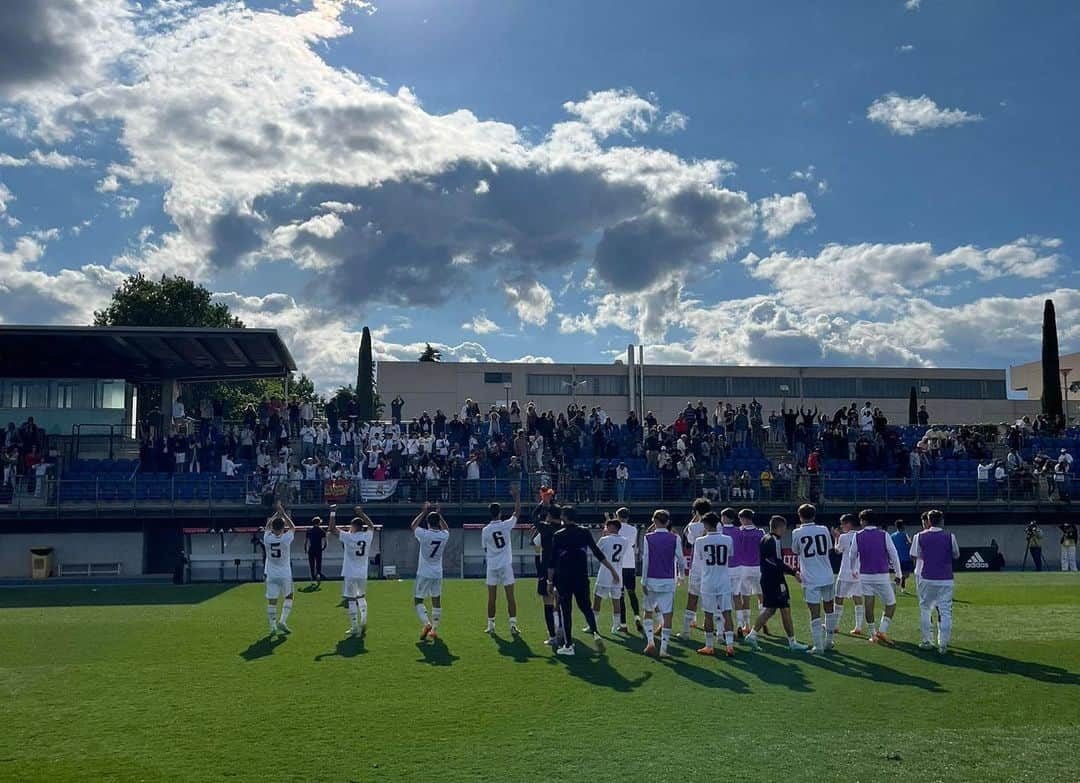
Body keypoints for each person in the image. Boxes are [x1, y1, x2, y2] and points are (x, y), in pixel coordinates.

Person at [547, 505, 619, 656]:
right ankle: (595, 633)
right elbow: (597, 553)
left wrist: (549, 581)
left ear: (564, 517)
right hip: (581, 576)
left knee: (565, 611)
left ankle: (568, 645)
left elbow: (552, 561)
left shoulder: (558, 534)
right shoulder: (584, 532)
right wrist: (612, 570)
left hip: (564, 578)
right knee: (586, 607)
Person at [744, 515, 808, 652]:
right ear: (780, 527)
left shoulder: (765, 538)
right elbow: (776, 562)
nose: (785, 530)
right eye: (784, 527)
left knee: (770, 609)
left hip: (768, 579)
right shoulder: (774, 540)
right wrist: (793, 572)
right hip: (775, 580)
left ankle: (752, 635)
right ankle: (792, 642)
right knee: (784, 609)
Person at [790, 504, 838, 654]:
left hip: (810, 578)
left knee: (814, 612)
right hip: (827, 574)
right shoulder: (824, 529)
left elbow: (795, 550)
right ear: (814, 515)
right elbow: (829, 548)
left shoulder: (797, 532)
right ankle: (829, 641)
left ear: (800, 516)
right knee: (829, 609)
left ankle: (818, 646)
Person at [909, 509, 959, 653]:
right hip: (946, 579)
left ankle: (926, 641)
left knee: (925, 609)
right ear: (942, 521)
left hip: (927, 578)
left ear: (929, 521)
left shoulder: (919, 536)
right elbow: (956, 554)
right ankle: (943, 644)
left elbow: (915, 555)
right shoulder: (950, 537)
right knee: (945, 611)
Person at [851, 509, 903, 645]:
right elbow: (894, 554)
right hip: (882, 575)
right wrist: (898, 574)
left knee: (868, 604)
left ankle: (873, 634)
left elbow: (852, 555)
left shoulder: (857, 535)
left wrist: (853, 569)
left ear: (864, 521)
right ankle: (882, 630)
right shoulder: (884, 535)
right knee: (891, 604)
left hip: (865, 575)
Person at [641, 509, 685, 658]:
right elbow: (681, 559)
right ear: (667, 522)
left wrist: (643, 580)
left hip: (652, 579)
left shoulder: (648, 537)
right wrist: (681, 575)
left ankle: (650, 640)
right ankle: (664, 648)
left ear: (654, 520)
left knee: (647, 611)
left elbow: (645, 560)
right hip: (668, 580)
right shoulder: (675, 538)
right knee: (667, 614)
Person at [693, 511, 736, 657]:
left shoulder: (700, 541)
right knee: (727, 613)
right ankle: (729, 645)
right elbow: (730, 555)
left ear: (705, 524)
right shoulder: (728, 539)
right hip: (724, 581)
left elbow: (700, 558)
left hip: (708, 582)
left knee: (708, 615)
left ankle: (709, 645)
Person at [328, 504, 375, 638]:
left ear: (354, 527)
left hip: (350, 572)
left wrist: (332, 512)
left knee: (351, 599)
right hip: (362, 573)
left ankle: (355, 627)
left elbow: (332, 529)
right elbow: (371, 526)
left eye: (351, 526)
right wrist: (361, 513)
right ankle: (364, 619)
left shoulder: (349, 537)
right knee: (361, 597)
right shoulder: (367, 536)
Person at [482, 484, 522, 635]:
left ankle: (491, 625)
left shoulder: (485, 530)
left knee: (492, 597)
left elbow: (485, 548)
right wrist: (516, 497)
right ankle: (512, 625)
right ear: (499, 513)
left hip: (492, 565)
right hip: (505, 564)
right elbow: (517, 512)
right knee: (510, 596)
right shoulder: (505, 525)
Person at [411, 502, 450, 641]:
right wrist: (439, 515)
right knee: (436, 600)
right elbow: (447, 529)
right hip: (437, 572)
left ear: (428, 523)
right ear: (438, 522)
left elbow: (413, 526)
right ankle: (434, 630)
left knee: (418, 600)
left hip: (423, 572)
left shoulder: (424, 534)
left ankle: (426, 624)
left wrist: (423, 511)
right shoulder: (444, 536)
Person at [531, 502, 563, 646]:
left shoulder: (545, 528)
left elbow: (533, 516)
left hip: (546, 568)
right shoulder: (565, 528)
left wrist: (541, 504)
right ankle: (562, 630)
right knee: (561, 601)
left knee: (547, 602)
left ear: (549, 515)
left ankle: (552, 636)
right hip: (563, 568)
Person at [262, 502, 296, 637]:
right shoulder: (286, 538)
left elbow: (267, 527)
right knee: (289, 597)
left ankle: (272, 627)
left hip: (271, 573)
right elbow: (293, 527)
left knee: (272, 600)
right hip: (285, 573)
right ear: (283, 528)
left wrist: (276, 514)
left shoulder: (267, 538)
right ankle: (282, 621)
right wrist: (283, 514)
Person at [731, 508, 765, 637]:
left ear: (744, 519)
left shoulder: (739, 532)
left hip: (743, 568)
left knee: (745, 597)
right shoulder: (760, 532)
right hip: (758, 567)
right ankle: (762, 621)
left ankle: (746, 624)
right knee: (761, 595)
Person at [682, 497, 711, 636]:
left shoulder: (693, 526)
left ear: (696, 512)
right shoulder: (717, 526)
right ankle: (715, 630)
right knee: (712, 599)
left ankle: (686, 630)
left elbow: (688, 537)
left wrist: (693, 520)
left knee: (692, 598)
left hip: (697, 566)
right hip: (713, 567)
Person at [591, 516, 626, 634]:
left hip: (605, 573)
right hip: (618, 574)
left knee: (597, 599)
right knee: (616, 601)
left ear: (612, 527)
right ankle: (615, 627)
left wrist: (603, 535)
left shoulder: (605, 540)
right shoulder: (625, 540)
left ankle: (593, 625)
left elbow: (596, 551)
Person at [833, 513, 866, 636]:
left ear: (848, 524)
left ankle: (835, 625)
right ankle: (858, 627)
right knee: (857, 598)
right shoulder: (861, 536)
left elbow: (837, 550)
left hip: (846, 572)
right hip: (858, 572)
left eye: (842, 524)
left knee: (839, 598)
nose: (841, 527)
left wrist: (836, 537)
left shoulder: (843, 537)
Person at [615, 507, 643, 633]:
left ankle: (623, 624)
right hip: (630, 563)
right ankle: (637, 616)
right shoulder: (633, 529)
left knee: (620, 596)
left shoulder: (615, 528)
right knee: (632, 592)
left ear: (618, 516)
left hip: (619, 564)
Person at [891, 520, 913, 592]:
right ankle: (901, 587)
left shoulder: (892, 536)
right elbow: (910, 544)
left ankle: (898, 586)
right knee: (905, 574)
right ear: (902, 526)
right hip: (905, 558)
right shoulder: (905, 535)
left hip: (897, 558)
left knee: (900, 573)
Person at [305, 515, 327, 583]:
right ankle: (318, 575)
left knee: (311, 564)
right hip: (318, 549)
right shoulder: (322, 531)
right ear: (319, 522)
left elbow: (306, 541)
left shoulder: (309, 531)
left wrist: (305, 548)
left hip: (311, 549)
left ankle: (312, 577)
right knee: (318, 563)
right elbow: (325, 542)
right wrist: (323, 547)